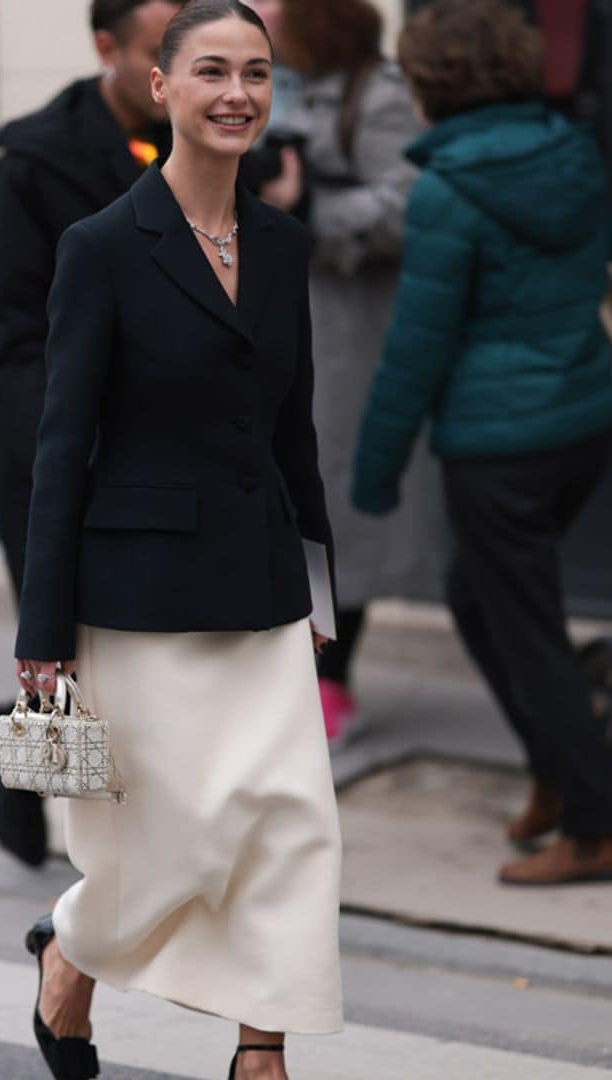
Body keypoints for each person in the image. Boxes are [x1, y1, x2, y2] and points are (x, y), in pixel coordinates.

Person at [15, 4, 343, 1077]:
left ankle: (263, 1050)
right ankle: (73, 953)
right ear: (161, 86)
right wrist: (42, 626)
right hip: (139, 595)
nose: (238, 93)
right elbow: (62, 446)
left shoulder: (287, 244)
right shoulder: (102, 248)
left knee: (291, 830)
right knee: (164, 851)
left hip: (262, 589)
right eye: (211, 71)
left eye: (256, 73)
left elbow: (292, 432)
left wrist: (322, 594)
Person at [352, 0, 612, 886]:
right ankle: (558, 768)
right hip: (582, 418)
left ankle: (593, 821)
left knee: (524, 626)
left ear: (437, 83)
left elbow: (416, 348)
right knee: (476, 596)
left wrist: (374, 471)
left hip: (500, 444)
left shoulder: (449, 192)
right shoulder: (573, 151)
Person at [0, 0, 180, 868]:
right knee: (67, 657)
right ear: (105, 48)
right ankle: (55, 817)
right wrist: (68, 450)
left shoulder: (211, 142)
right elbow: (9, 338)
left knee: (135, 667)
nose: (176, 77)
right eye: (155, 53)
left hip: (176, 458)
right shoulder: (32, 162)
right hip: (64, 454)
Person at [259, 0, 440, 746]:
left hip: (345, 334)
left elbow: (408, 206)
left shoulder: (380, 94)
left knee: (330, 514)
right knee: (282, 506)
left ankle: (331, 680)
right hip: (272, 324)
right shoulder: (271, 85)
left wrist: (305, 207)